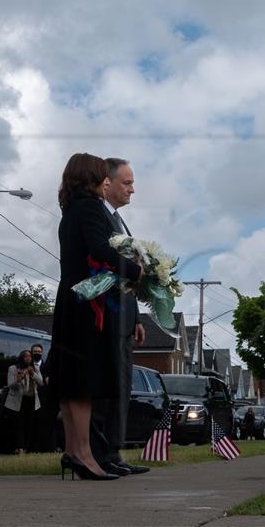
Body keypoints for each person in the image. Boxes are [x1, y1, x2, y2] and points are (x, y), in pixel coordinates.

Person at [49, 152, 142, 481]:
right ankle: (85, 455)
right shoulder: (89, 208)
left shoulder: (70, 210)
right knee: (84, 383)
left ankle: (75, 452)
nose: (107, 181)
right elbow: (99, 248)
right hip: (86, 304)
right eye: (103, 176)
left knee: (73, 383)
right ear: (89, 176)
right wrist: (135, 271)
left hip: (71, 299)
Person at [89, 157, 149, 476]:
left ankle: (114, 452)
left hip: (125, 317)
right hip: (106, 313)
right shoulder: (97, 215)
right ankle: (100, 453)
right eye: (126, 183)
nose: (132, 189)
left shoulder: (121, 222)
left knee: (122, 386)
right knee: (108, 386)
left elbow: (129, 276)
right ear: (107, 183)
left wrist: (137, 316)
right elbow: (106, 266)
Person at [4, 349, 43, 455]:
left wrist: (32, 373)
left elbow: (41, 382)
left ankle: (26, 447)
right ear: (22, 358)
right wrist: (18, 379)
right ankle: (20, 448)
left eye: (30, 356)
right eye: (25, 356)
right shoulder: (13, 369)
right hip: (18, 400)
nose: (28, 358)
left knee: (29, 425)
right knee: (19, 424)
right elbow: (10, 385)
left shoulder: (35, 368)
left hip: (32, 399)